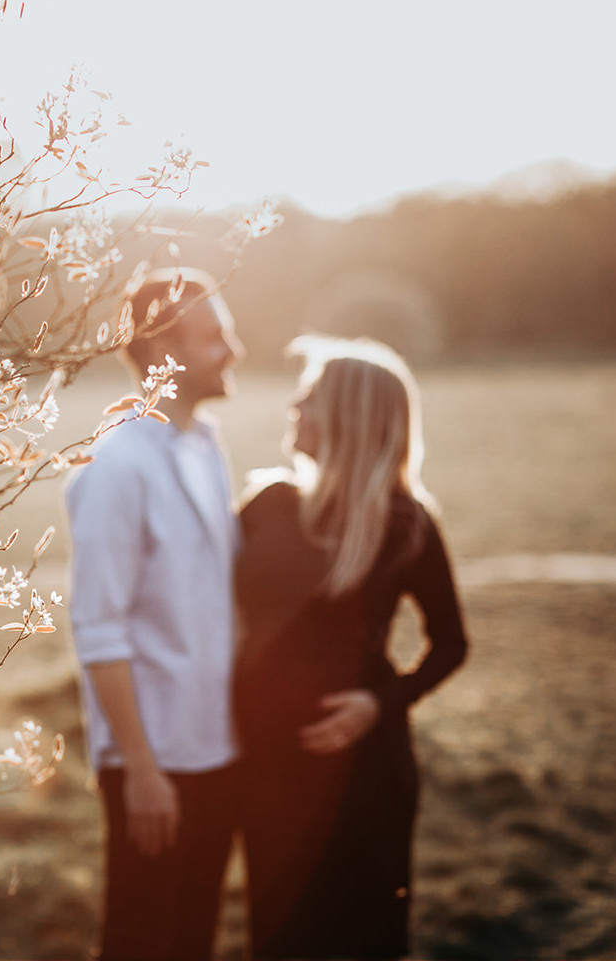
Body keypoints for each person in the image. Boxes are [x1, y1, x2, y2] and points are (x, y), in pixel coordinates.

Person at [233, 335, 468, 960]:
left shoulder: (404, 521)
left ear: (346, 415)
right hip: (266, 766)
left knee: (361, 940)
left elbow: (450, 643)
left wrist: (378, 705)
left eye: (308, 397)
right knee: (279, 939)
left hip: (364, 773)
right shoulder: (266, 506)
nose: (293, 407)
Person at [66, 267, 244, 961]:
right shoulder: (117, 466)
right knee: (142, 941)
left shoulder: (206, 443)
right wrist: (139, 768)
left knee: (195, 937)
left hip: (218, 747)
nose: (234, 348)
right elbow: (98, 628)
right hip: (154, 760)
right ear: (161, 351)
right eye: (214, 336)